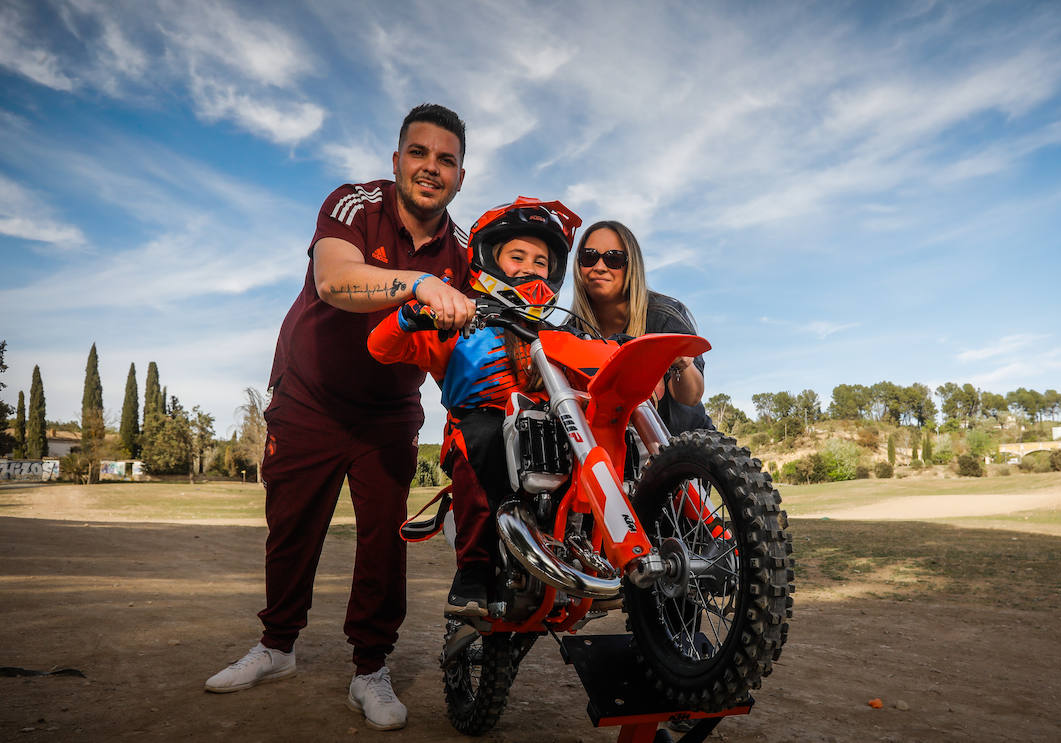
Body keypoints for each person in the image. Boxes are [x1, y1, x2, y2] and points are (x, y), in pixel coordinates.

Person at [204, 103, 477, 732]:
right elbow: (333, 280)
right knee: (292, 526)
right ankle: (276, 648)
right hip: (310, 395)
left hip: (388, 411)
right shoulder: (355, 204)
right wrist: (416, 284)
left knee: (384, 541)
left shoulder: (463, 249)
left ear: (461, 176)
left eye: (446, 160)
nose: (430, 168)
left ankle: (370, 671)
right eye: (419, 153)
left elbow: (471, 337)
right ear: (396, 161)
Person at [366, 197, 581, 617]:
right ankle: (473, 572)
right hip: (480, 431)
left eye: (541, 260)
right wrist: (411, 315)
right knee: (481, 434)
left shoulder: (561, 331)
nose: (530, 267)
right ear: (489, 259)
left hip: (552, 433)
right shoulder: (458, 321)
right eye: (517, 256)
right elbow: (379, 348)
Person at [567, 220, 714, 434]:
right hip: (616, 456)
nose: (599, 267)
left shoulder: (665, 315)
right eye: (589, 257)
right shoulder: (569, 332)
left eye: (613, 259)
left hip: (685, 451)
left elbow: (691, 397)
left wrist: (681, 363)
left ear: (631, 266)